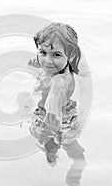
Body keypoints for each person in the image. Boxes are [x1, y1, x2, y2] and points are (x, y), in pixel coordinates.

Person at [27, 23, 87, 184]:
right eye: (43, 52)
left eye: (56, 55)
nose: (47, 60)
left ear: (70, 55)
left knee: (65, 145)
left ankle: (77, 164)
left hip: (59, 120)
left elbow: (55, 95)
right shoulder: (56, 68)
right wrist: (36, 63)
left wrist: (51, 114)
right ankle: (60, 158)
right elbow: (46, 64)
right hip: (60, 114)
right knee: (57, 144)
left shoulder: (60, 80)